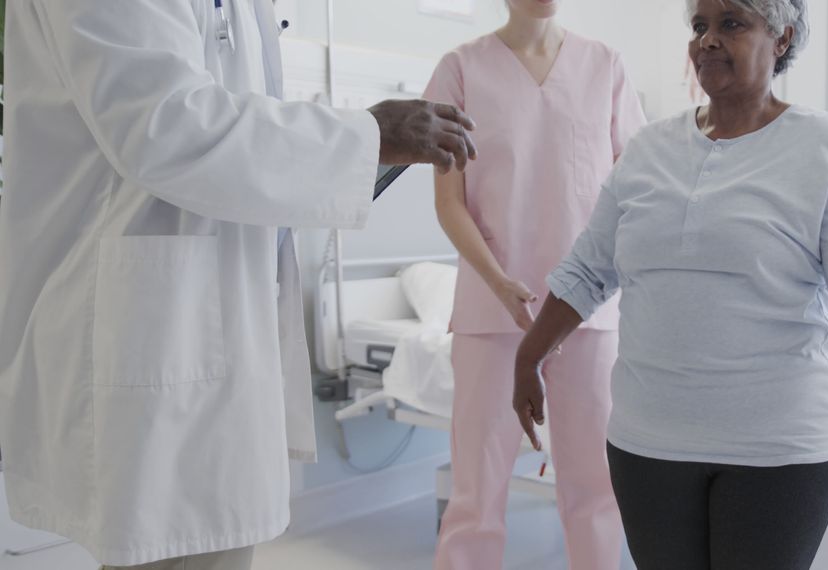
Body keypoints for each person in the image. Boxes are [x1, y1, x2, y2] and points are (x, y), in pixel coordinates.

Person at [0, 1, 476, 568]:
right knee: (174, 545)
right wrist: (369, 133)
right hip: (149, 334)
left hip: (207, 336)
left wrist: (355, 147)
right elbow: (165, 123)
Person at [512, 0, 828, 568]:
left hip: (777, 450)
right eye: (699, 26)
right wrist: (529, 354)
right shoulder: (648, 150)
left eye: (731, 23)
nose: (707, 39)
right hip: (647, 444)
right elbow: (588, 268)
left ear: (781, 39)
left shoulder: (823, 148)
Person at [422, 0, 646, 567]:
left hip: (588, 315)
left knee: (595, 491)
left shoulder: (606, 67)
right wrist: (499, 282)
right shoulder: (460, 69)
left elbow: (636, 191)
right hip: (491, 312)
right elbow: (449, 203)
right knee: (475, 496)